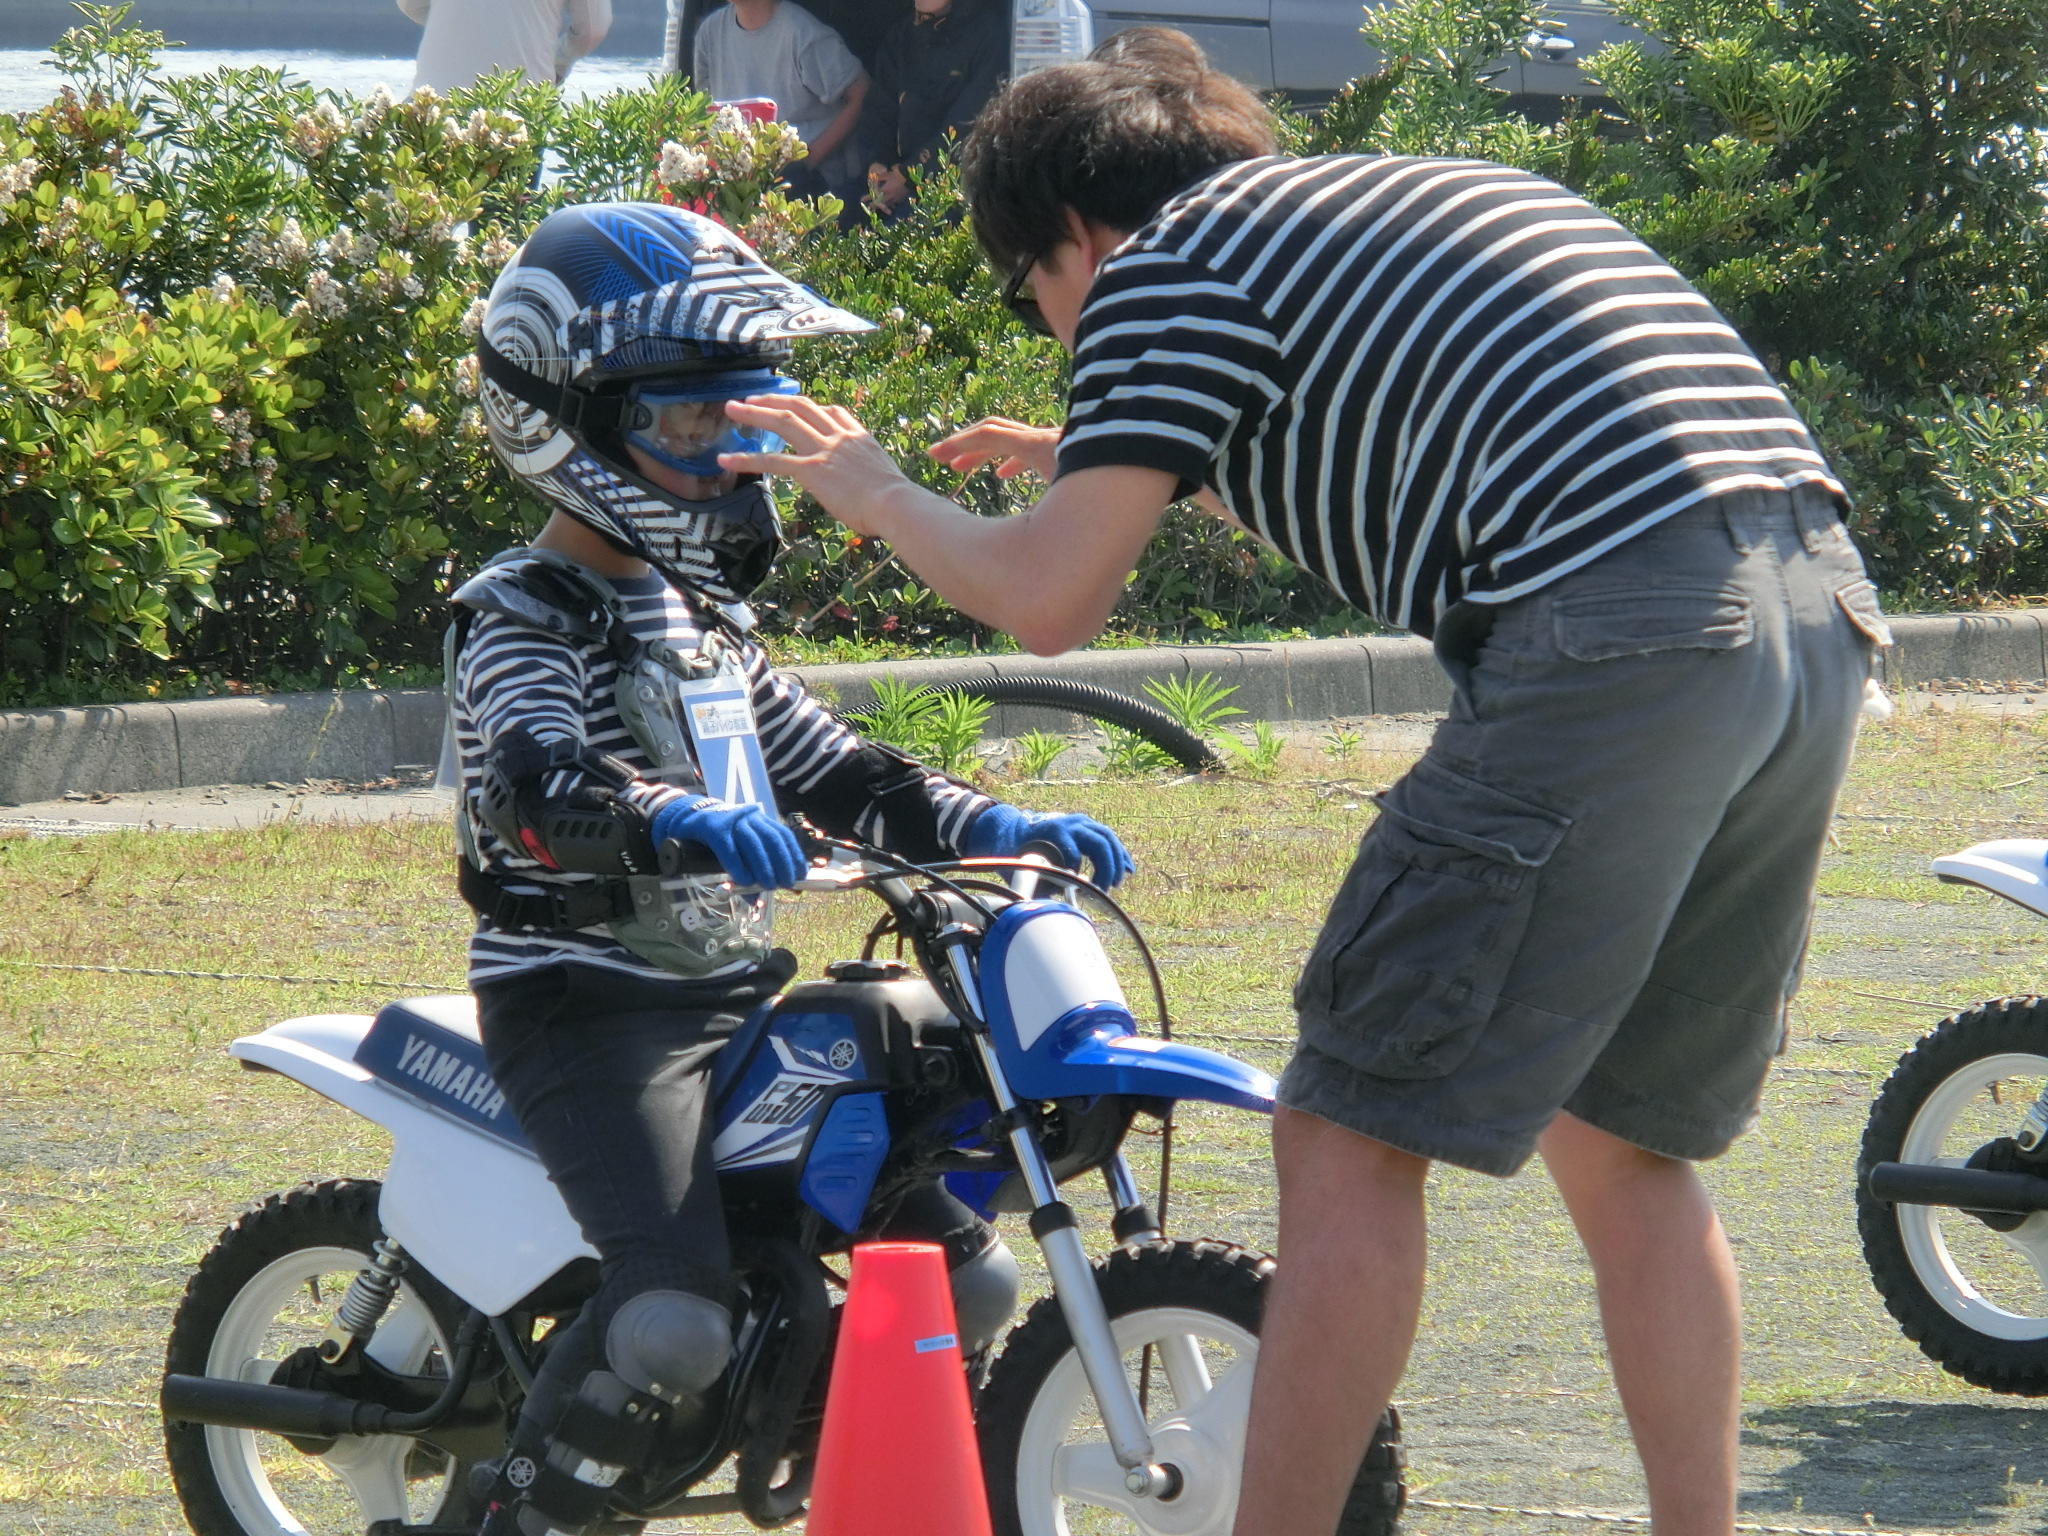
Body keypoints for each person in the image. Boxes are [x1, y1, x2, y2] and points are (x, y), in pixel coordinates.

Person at [718, 27, 1892, 1536]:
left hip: (1620, 634)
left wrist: (866, 484)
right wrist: (1087, 442)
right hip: (1809, 613)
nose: (1062, 329)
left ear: (1075, 235)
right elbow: (1421, 418)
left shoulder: (1161, 270)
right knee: (1621, 1141)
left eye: (1038, 299)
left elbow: (1050, 601)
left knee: (1342, 1135)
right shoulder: (1380, 202)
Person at [457, 199, 1133, 1536]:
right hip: (589, 1010)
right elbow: (534, 786)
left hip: (732, 990)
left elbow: (841, 770)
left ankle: (826, 1452)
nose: (727, 461)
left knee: (968, 1277)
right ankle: (508, 1517)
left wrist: (997, 825)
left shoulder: (701, 621)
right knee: (669, 1320)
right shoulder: (524, 610)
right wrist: (677, 821)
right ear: (570, 417)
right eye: (691, 428)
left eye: (739, 424)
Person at [688, 0, 869, 200]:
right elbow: (704, 111)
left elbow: (862, 94)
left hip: (809, 181)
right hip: (737, 179)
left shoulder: (804, 34)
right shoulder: (709, 32)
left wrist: (805, 160)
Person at [853, 0, 1007, 220]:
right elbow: (878, 111)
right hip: (892, 182)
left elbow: (967, 122)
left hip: (953, 186)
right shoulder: (901, 35)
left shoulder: (990, 35)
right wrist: (877, 166)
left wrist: (907, 176)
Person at [397, 0, 612, 93]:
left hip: (434, 104)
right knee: (512, 189)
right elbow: (594, 28)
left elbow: (410, 5)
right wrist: (559, 62)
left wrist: (471, 27)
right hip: (517, 111)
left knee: (424, 187)